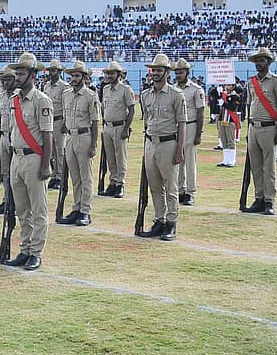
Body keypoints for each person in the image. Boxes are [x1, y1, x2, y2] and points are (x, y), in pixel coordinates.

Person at [2, 53, 53, 270]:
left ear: (33, 75)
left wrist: (45, 164)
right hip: (17, 158)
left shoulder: (42, 100)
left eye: (22, 74)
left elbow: (47, 135)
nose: (18, 77)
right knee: (22, 209)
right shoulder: (14, 100)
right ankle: (25, 249)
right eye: (17, 73)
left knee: (38, 209)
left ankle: (36, 252)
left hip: (34, 158)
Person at [139, 54, 186, 241]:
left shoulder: (176, 95)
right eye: (153, 70)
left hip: (169, 143)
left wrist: (179, 150)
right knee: (155, 186)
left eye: (159, 70)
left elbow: (182, 124)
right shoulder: (145, 95)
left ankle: (171, 223)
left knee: (171, 187)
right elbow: (146, 122)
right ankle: (159, 221)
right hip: (151, 143)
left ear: (167, 72)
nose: (155, 73)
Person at [243, 47, 277, 216]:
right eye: (256, 61)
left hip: (269, 128)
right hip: (254, 127)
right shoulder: (251, 82)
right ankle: (259, 198)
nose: (258, 64)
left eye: (262, 60)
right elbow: (249, 105)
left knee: (269, 167)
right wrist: (248, 129)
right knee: (255, 166)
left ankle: (269, 200)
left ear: (268, 62)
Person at [56, 61, 100, 227]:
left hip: (84, 136)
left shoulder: (90, 95)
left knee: (85, 177)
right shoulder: (66, 94)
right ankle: (76, 208)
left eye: (77, 75)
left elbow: (95, 122)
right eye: (72, 75)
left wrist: (94, 144)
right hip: (70, 137)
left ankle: (85, 211)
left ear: (84, 77)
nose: (73, 79)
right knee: (75, 177)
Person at [98, 61, 134, 199]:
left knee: (120, 157)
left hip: (120, 126)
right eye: (107, 73)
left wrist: (126, 128)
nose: (109, 76)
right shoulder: (105, 89)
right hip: (107, 127)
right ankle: (112, 183)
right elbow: (103, 108)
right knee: (110, 158)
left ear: (119, 75)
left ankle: (120, 184)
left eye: (112, 73)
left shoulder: (125, 89)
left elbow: (131, 110)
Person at [173, 59, 205, 206]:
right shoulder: (172, 89)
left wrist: (198, 134)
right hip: (176, 128)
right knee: (177, 160)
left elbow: (200, 112)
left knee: (190, 161)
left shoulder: (196, 89)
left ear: (187, 72)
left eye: (181, 72)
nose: (178, 75)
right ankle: (180, 190)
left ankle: (190, 192)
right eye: (176, 72)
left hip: (191, 126)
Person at [0, 66, 17, 214]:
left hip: (16, 137)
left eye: (8, 80)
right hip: (3, 136)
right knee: (5, 172)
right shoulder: (1, 95)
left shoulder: (18, 96)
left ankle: (16, 202)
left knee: (16, 173)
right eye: (3, 80)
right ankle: (7, 199)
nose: (5, 83)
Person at [42, 59, 68, 190]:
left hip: (59, 121)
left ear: (59, 72)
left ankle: (61, 176)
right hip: (48, 122)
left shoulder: (64, 87)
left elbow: (67, 106)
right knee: (50, 151)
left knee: (60, 151)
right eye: (49, 70)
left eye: (53, 70)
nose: (50, 73)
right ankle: (54, 176)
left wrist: (66, 123)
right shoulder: (46, 86)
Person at [216, 83, 242, 167]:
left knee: (230, 140)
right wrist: (219, 94)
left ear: (233, 86)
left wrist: (223, 103)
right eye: (226, 85)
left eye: (229, 85)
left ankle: (232, 160)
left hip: (230, 120)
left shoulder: (235, 96)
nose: (227, 86)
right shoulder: (224, 94)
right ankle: (225, 160)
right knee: (224, 140)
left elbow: (232, 107)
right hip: (222, 118)